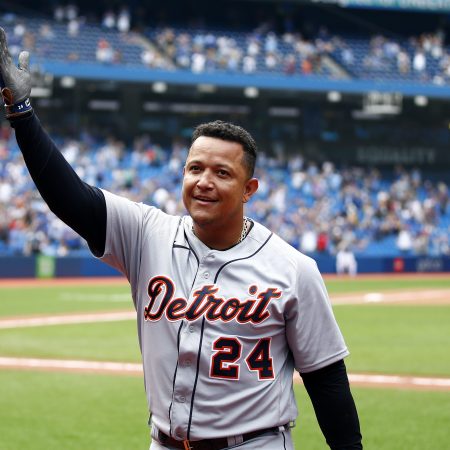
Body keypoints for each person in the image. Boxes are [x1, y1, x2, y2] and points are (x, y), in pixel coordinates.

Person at [0, 27, 362, 450]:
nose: (204, 181)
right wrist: (21, 111)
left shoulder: (294, 269)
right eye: (195, 168)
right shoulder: (146, 233)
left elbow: (328, 382)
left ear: (250, 190)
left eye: (222, 173)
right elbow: (70, 198)